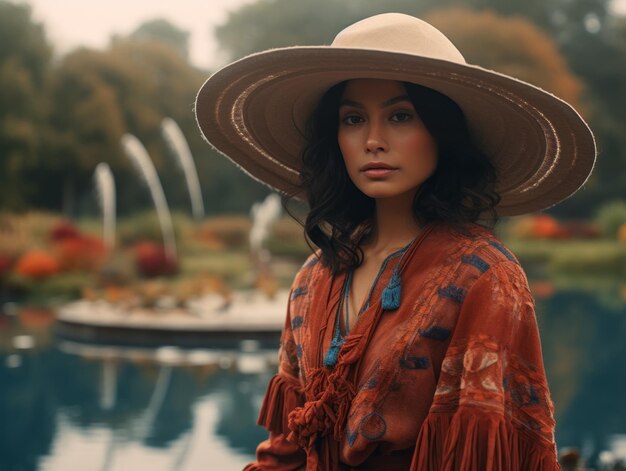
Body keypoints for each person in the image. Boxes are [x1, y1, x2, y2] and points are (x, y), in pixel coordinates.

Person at [195, 13, 596, 471]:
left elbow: (485, 453)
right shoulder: (315, 275)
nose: (373, 140)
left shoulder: (483, 276)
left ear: (442, 133)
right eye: (353, 118)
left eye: (401, 116)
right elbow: (286, 450)